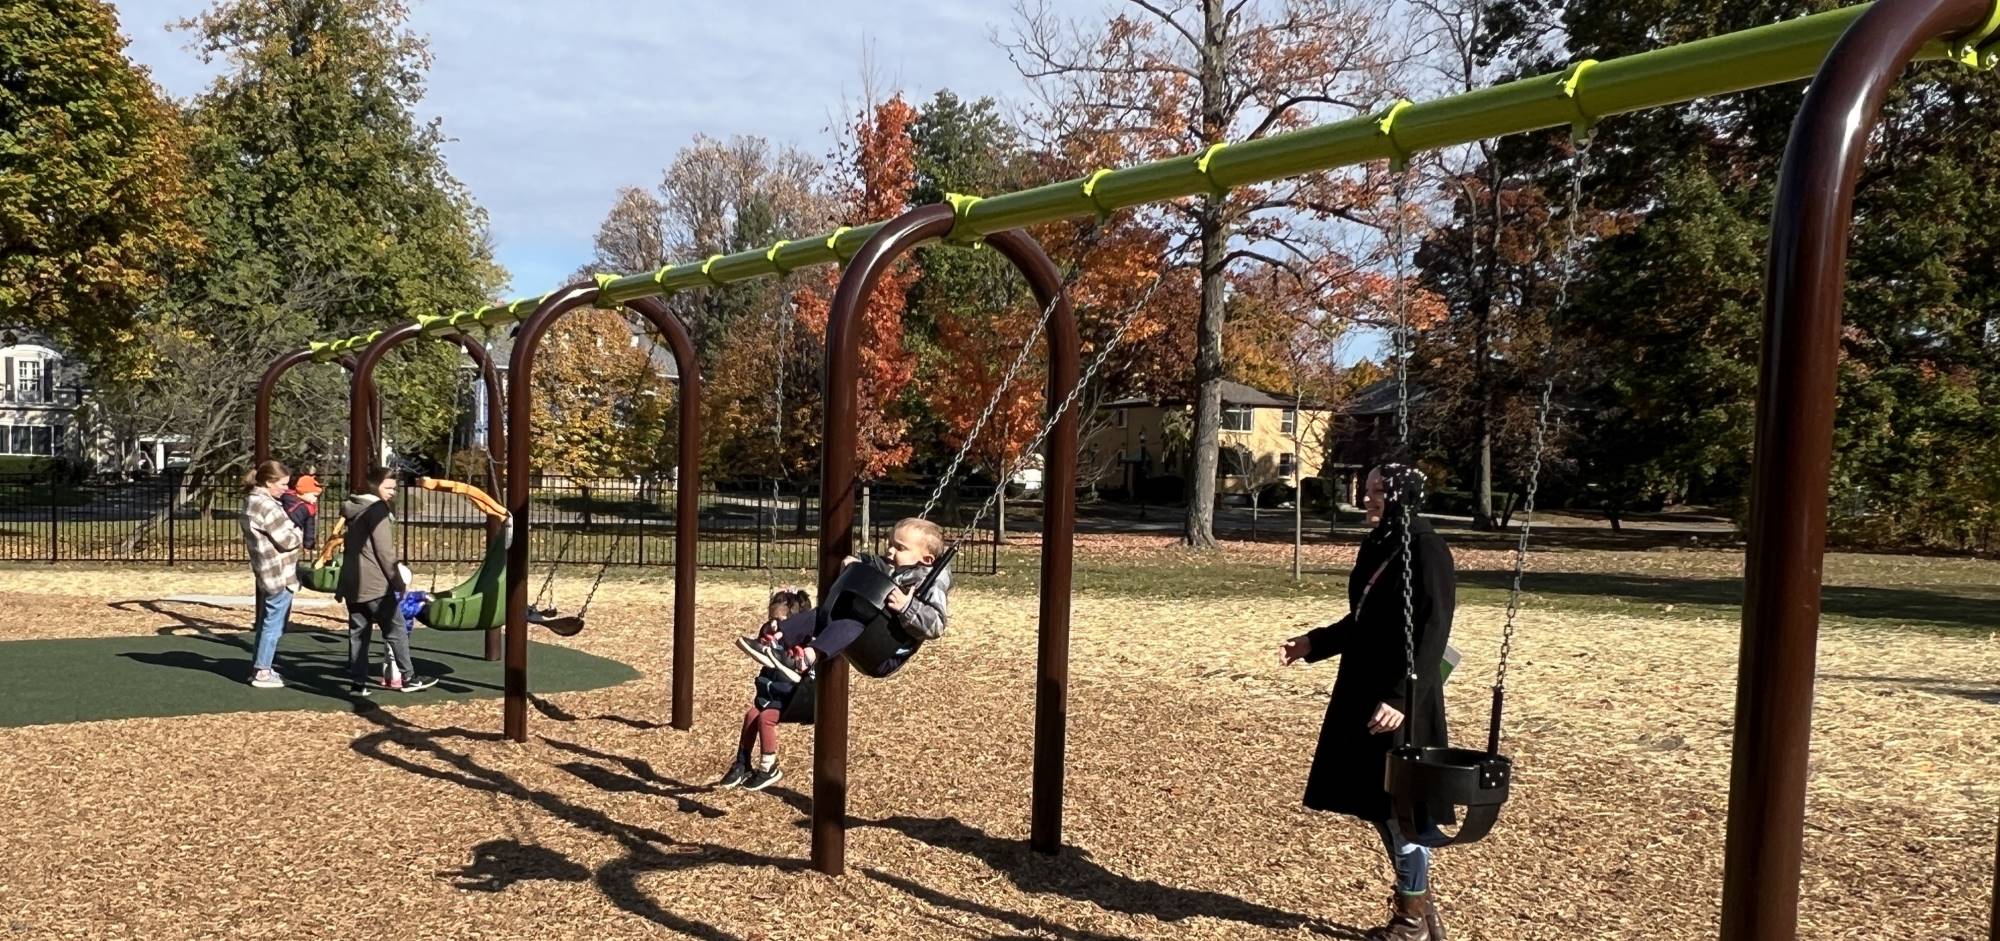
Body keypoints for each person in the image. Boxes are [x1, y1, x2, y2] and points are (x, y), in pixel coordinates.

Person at [1279, 463, 1455, 941]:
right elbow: (1363, 621)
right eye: (1368, 489)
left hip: (1400, 700)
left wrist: (1402, 695)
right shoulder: (1378, 544)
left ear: (1399, 495)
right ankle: (1418, 905)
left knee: (1405, 809)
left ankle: (1412, 918)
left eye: (1375, 491)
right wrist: (1313, 643)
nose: (1366, 498)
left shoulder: (1426, 547)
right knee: (1382, 807)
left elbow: (1434, 631)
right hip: (1363, 691)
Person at [736, 517, 951, 681]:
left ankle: (804, 660)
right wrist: (855, 563)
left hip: (885, 649)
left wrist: (908, 607)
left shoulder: (930, 582)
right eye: (891, 544)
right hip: (867, 629)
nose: (891, 550)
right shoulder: (892, 566)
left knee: (851, 623)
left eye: (900, 547)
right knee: (822, 614)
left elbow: (937, 625)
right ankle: (777, 640)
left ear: (927, 559)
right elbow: (872, 564)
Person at [336, 466, 437, 695]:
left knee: (359, 631)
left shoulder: (353, 507)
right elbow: (384, 552)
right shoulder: (377, 510)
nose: (392, 492)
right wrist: (397, 581)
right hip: (374, 582)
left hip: (353, 580)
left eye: (394, 488)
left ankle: (358, 683)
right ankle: (409, 677)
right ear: (374, 486)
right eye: (388, 487)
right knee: (396, 628)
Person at [718, 587, 814, 792]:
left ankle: (769, 766)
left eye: (779, 621)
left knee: (765, 718)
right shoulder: (770, 636)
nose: (772, 624)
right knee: (752, 715)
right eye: (770, 618)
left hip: (791, 699)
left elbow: (802, 669)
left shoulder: (800, 646)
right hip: (770, 695)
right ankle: (742, 763)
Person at [238, 460, 303, 689]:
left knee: (267, 622)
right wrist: (298, 531)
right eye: (283, 484)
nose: (286, 488)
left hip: (265, 571)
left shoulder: (252, 502)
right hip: (280, 573)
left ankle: (261, 665)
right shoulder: (267, 506)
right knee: (273, 625)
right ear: (268, 482)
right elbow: (287, 540)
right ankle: (262, 671)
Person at [280, 473, 322, 550]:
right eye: (314, 496)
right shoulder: (288, 498)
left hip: (291, 538)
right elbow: (293, 519)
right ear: (303, 491)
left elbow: (310, 526)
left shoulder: (309, 506)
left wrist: (309, 543)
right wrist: (305, 510)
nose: (316, 499)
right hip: (283, 533)